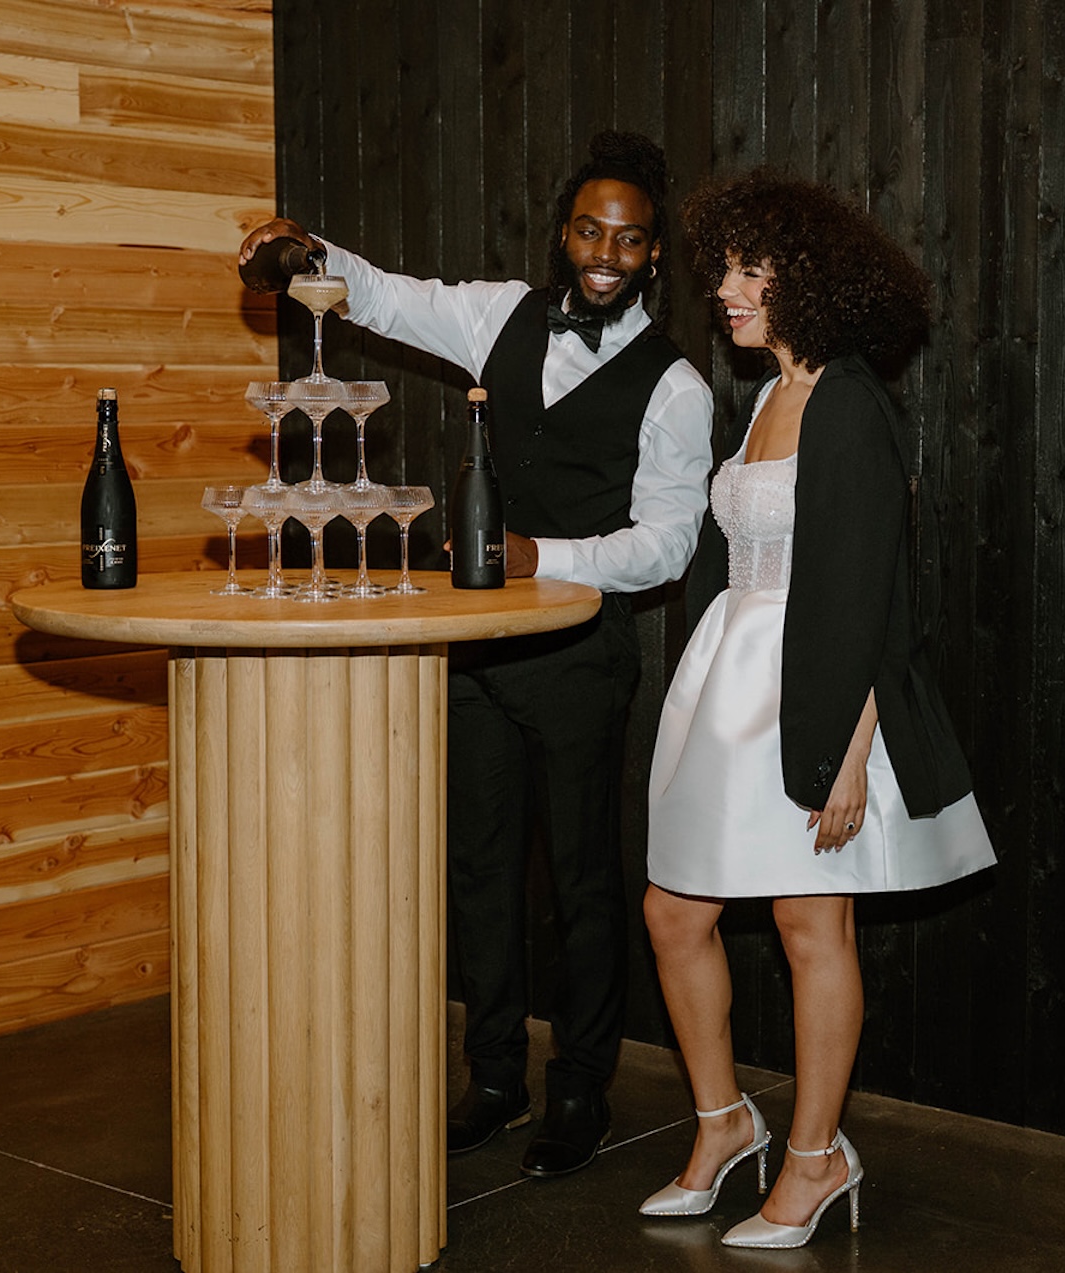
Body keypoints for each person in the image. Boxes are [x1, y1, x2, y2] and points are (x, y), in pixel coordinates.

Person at [237, 133, 713, 1178]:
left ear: (651, 256)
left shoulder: (676, 388)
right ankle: (495, 1075)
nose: (605, 251)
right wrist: (304, 250)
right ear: (564, 232)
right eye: (590, 228)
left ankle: (581, 1083)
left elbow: (672, 540)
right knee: (480, 868)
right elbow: (388, 297)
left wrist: (555, 553)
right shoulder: (501, 313)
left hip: (584, 655)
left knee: (585, 879)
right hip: (475, 651)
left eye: (630, 239)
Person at [639, 169, 996, 1248]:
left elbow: (878, 587)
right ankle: (722, 1124)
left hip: (817, 690)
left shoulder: (849, 401)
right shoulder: (766, 397)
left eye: (753, 272)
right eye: (725, 273)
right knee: (672, 912)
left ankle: (815, 1156)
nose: (728, 293)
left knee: (810, 923)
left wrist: (848, 745)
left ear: (815, 282)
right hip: (728, 683)